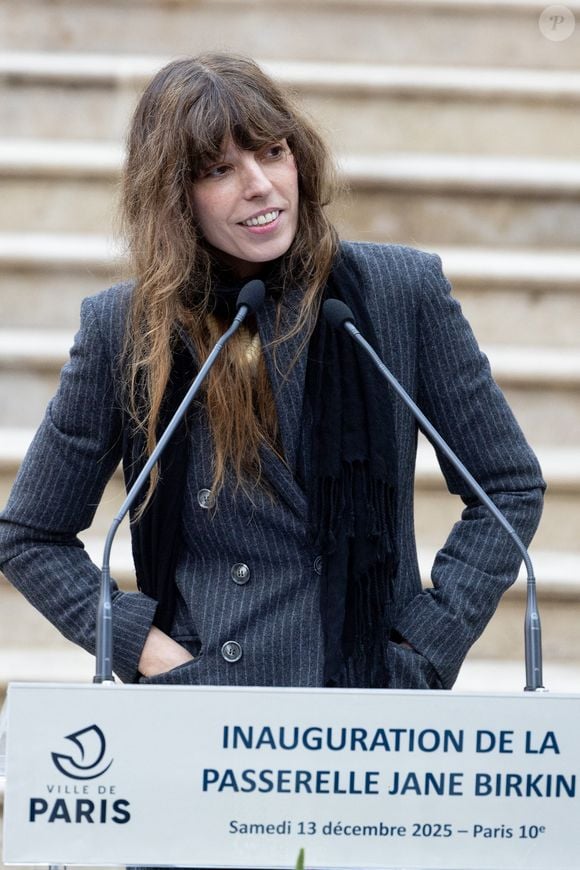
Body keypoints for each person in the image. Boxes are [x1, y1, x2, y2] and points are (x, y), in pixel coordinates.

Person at [0, 53, 544, 692]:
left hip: (366, 708)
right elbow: (31, 535)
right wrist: (149, 653)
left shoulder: (399, 294)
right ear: (174, 198)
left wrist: (423, 647)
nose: (260, 185)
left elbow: (507, 486)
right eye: (220, 170)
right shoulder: (127, 327)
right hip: (210, 714)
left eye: (273, 152)